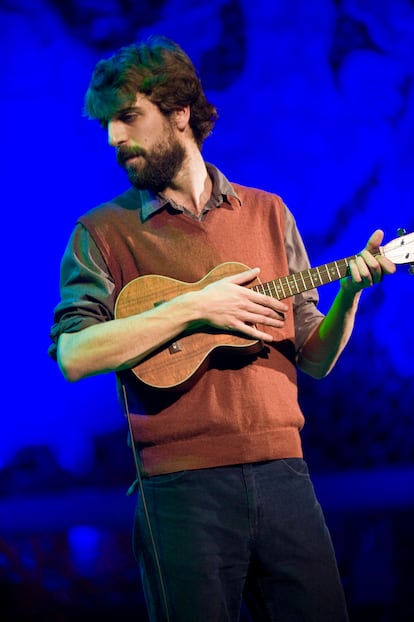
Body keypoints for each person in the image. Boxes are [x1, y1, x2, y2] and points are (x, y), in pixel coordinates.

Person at [49, 35, 396, 622]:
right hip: (179, 493)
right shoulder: (101, 233)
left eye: (129, 117)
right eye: (108, 123)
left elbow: (314, 355)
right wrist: (192, 309)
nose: (114, 137)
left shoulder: (268, 213)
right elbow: (76, 354)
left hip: (285, 474)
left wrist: (351, 296)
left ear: (179, 113)